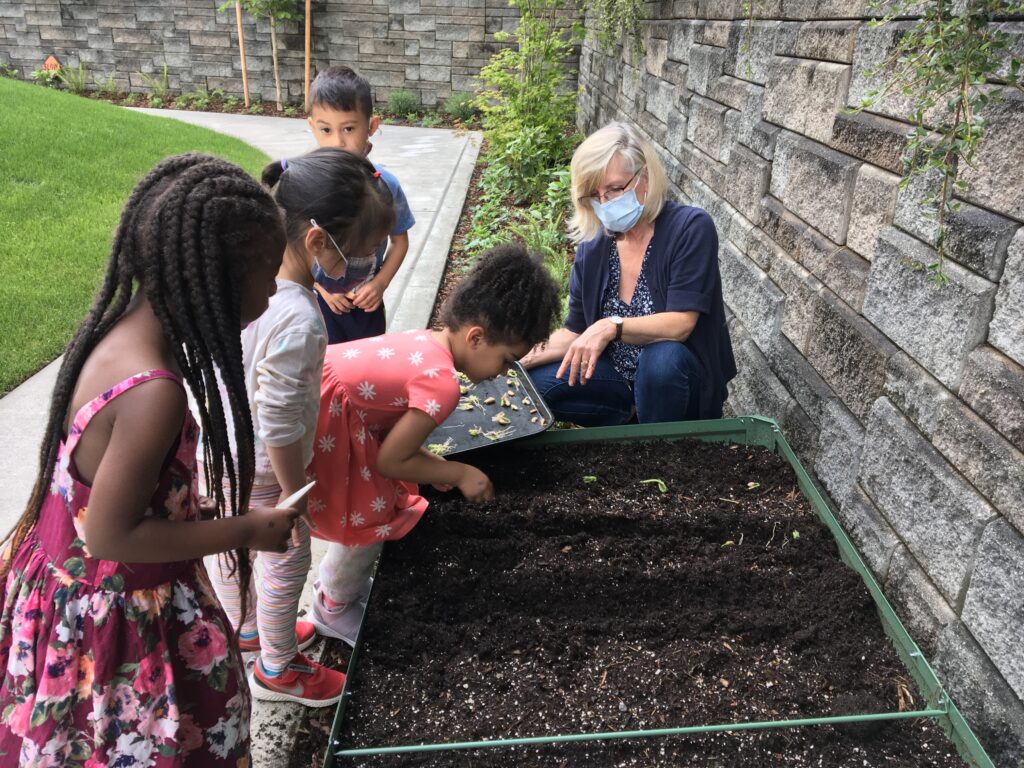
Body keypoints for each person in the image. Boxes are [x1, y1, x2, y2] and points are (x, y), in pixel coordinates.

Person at [0, 154, 303, 765]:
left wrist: (192, 507)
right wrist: (248, 529)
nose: (273, 292)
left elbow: (101, 491)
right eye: (268, 275)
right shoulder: (154, 391)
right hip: (117, 626)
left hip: (62, 589)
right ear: (216, 278)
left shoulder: (115, 336)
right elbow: (112, 533)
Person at [206, 148, 396, 708]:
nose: (360, 265)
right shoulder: (298, 317)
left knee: (233, 546)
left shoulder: (241, 283)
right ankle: (278, 667)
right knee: (286, 557)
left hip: (218, 453)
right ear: (317, 241)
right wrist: (294, 495)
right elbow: (280, 422)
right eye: (358, 253)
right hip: (268, 465)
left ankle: (246, 628)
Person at [304, 245, 562, 644]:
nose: (503, 373)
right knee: (374, 516)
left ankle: (334, 590)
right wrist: (459, 472)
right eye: (507, 361)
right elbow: (391, 460)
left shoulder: (425, 340)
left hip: (317, 408)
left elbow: (389, 434)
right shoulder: (442, 384)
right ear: (476, 337)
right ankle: (333, 606)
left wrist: (429, 465)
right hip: (324, 428)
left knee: (383, 500)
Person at [521, 121, 736, 425]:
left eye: (615, 188)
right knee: (536, 383)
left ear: (644, 178)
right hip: (618, 383)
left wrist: (612, 325)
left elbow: (681, 324)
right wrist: (517, 358)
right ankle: (629, 427)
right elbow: (575, 331)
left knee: (661, 359)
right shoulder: (594, 248)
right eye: (594, 195)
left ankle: (660, 452)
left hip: (680, 388)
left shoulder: (690, 228)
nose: (605, 203)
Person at [306, 65, 416, 344]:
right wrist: (320, 289)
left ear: (371, 126)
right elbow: (290, 251)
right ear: (312, 126)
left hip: (367, 306)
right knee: (324, 378)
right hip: (318, 307)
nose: (338, 141)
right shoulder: (306, 184)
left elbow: (400, 242)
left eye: (349, 128)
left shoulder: (386, 185)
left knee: (367, 375)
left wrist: (380, 284)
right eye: (326, 129)